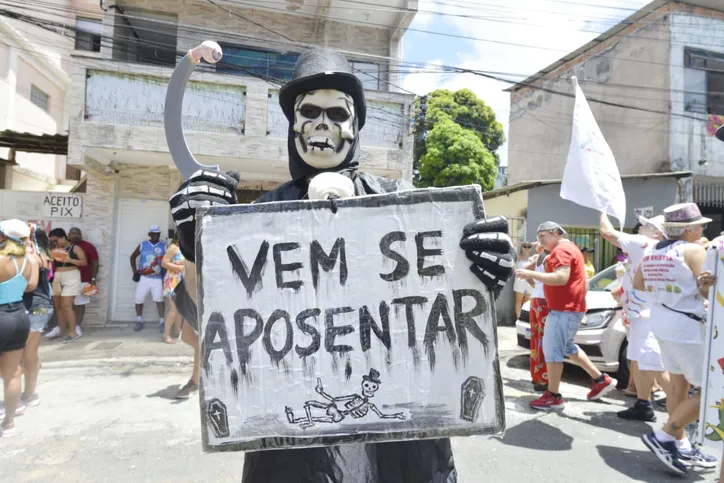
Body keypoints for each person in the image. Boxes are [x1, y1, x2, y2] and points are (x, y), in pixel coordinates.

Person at [166, 45, 515, 482]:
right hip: (293, 459)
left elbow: (448, 309)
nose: (321, 125)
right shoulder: (258, 217)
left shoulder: (405, 205)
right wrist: (197, 245)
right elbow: (211, 316)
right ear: (293, 125)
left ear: (357, 126)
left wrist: (486, 268)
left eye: (337, 114)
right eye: (308, 112)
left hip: (402, 456)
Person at [637, 203, 718, 474]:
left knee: (678, 386)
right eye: (699, 225)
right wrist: (697, 288)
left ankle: (679, 442)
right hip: (687, 326)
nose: (703, 229)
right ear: (687, 229)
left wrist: (670, 288)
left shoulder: (650, 251)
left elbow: (639, 284)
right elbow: (708, 293)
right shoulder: (695, 250)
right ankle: (665, 434)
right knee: (711, 389)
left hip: (661, 321)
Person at [516, 222, 617, 410]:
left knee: (552, 350)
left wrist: (531, 273)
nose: (540, 241)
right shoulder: (570, 249)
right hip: (569, 309)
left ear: (555, 233)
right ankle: (600, 379)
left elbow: (561, 277)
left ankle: (553, 395)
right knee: (568, 347)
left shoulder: (561, 251)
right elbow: (580, 281)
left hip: (564, 310)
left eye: (542, 236)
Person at [600, 212, 672, 423]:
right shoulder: (659, 247)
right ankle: (643, 404)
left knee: (653, 362)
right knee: (640, 360)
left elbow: (606, 232)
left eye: (645, 225)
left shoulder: (643, 243)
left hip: (645, 314)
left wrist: (602, 209)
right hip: (642, 312)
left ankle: (682, 408)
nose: (640, 228)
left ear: (658, 232)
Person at [0, 219, 38, 436]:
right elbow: (31, 286)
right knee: (13, 373)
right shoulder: (28, 261)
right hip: (20, 316)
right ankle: (9, 424)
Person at [21, 224, 53, 408]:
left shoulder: (34, 258)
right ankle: (30, 392)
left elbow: (30, 286)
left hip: (34, 307)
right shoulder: (44, 255)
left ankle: (29, 393)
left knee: (25, 354)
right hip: (41, 308)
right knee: (29, 353)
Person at [48, 228, 86, 343]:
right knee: (58, 306)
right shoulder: (55, 249)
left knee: (66, 305)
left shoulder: (75, 248)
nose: (55, 243)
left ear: (63, 237)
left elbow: (84, 262)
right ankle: (62, 330)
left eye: (56, 240)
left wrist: (68, 259)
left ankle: (73, 332)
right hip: (57, 275)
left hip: (71, 275)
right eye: (53, 241)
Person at [129, 226, 166, 332]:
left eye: (158, 233)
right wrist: (135, 272)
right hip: (144, 277)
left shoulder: (164, 246)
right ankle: (139, 320)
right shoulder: (143, 244)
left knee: (159, 299)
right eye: (154, 234)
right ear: (150, 234)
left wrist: (165, 274)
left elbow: (167, 260)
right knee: (139, 298)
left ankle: (162, 321)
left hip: (157, 278)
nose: (156, 235)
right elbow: (132, 257)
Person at [526, 242, 549, 392]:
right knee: (545, 340)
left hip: (535, 299)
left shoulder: (540, 257)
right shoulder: (550, 256)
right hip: (545, 300)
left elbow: (526, 270)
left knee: (536, 338)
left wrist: (535, 286)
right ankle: (543, 378)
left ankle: (537, 376)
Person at [69, 227, 98, 334]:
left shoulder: (88, 246)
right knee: (67, 304)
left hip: (83, 279)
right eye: (72, 233)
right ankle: (66, 326)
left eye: (77, 233)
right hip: (67, 280)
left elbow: (95, 263)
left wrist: (93, 279)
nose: (75, 235)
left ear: (81, 235)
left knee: (80, 304)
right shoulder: (64, 247)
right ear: (69, 235)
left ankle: (77, 326)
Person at [161, 232, 184, 344]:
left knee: (180, 309)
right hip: (172, 281)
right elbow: (164, 263)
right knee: (173, 309)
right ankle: (165, 335)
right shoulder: (173, 247)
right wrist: (178, 267)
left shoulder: (183, 248)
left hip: (181, 282)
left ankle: (177, 331)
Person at [513, 242, 533, 319]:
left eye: (529, 247)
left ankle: (523, 319)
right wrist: (519, 244)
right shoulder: (519, 257)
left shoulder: (532, 258)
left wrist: (534, 244)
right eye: (524, 247)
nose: (527, 248)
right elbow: (511, 248)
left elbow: (541, 248)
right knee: (519, 300)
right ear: (522, 248)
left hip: (530, 281)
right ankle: (518, 319)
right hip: (520, 281)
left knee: (526, 302)